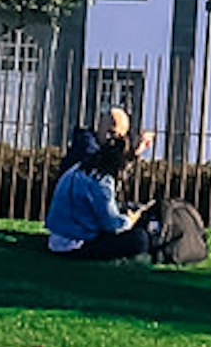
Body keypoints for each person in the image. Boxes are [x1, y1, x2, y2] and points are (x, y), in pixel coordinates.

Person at [46, 111, 186, 263]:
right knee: (139, 240)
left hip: (60, 236)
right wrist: (131, 220)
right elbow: (112, 225)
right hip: (77, 242)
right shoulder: (101, 179)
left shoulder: (82, 166)